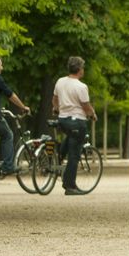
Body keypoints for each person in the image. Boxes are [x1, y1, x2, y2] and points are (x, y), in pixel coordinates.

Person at [52, 56, 96, 195]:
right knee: (74, 154)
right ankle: (69, 185)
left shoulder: (60, 81)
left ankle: (56, 160)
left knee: (70, 138)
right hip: (77, 121)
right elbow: (85, 105)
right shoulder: (81, 86)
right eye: (83, 68)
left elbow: (55, 98)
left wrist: (57, 109)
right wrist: (93, 114)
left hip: (63, 120)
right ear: (79, 70)